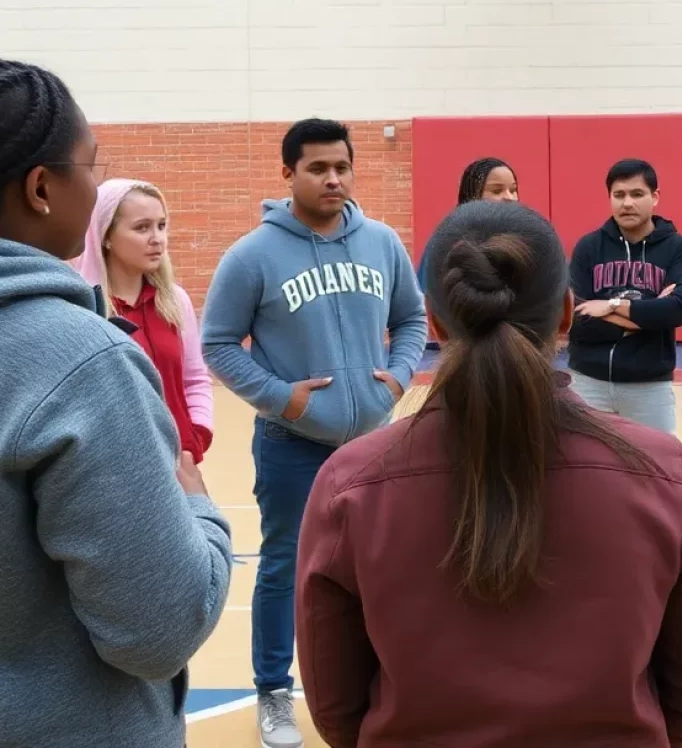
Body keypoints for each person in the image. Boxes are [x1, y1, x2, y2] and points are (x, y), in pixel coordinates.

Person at [295, 200, 682, 748]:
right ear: (568, 314)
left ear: (433, 321)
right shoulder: (663, 471)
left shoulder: (350, 485)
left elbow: (335, 706)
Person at [0, 59, 231, 748]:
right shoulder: (79, 359)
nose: (94, 185)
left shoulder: (157, 309)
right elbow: (158, 629)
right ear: (42, 187)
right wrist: (201, 514)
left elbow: (194, 377)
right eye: (90, 166)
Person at [201, 117, 427, 748]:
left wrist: (398, 379)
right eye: (318, 168)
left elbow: (411, 319)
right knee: (284, 567)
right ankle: (274, 690)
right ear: (288, 174)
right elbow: (218, 343)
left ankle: (379, 678)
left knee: (380, 566)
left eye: (342, 167)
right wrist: (282, 400)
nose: (333, 179)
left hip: (373, 443)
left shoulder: (381, 242)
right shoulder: (252, 255)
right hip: (291, 444)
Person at [74, 178, 215, 463]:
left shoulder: (175, 300)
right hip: (110, 470)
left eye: (161, 225)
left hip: (179, 465)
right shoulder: (82, 307)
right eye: (142, 227)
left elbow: (195, 379)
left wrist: (196, 436)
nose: (157, 238)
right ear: (106, 236)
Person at [566, 159, 682, 434]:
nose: (627, 203)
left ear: (655, 197)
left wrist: (610, 306)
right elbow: (577, 318)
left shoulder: (677, 248)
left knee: (655, 472)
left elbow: (676, 310)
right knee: (589, 471)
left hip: (649, 388)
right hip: (589, 382)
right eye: (619, 195)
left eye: (637, 194)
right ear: (609, 198)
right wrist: (647, 316)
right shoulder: (588, 247)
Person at [416, 156, 519, 290]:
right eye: (496, 191)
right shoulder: (449, 239)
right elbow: (424, 295)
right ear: (474, 194)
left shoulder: (523, 239)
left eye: (513, 190)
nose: (509, 197)